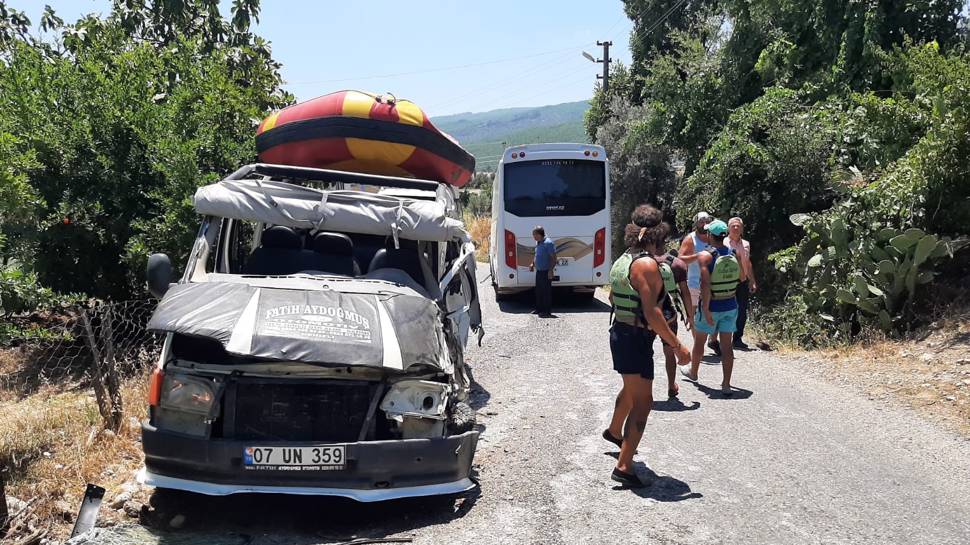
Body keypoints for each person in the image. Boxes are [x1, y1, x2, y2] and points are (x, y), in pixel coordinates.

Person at [604, 205, 691, 488]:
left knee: (632, 390)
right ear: (658, 234)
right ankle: (625, 465)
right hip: (634, 339)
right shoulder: (646, 264)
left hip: (621, 333)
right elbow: (652, 312)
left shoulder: (623, 259)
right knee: (644, 402)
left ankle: (615, 431)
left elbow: (615, 300)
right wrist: (677, 346)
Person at [681, 219, 741, 395]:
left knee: (699, 341)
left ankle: (693, 372)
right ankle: (726, 385)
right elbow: (741, 276)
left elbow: (705, 285)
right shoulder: (733, 253)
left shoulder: (706, 256)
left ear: (709, 235)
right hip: (730, 304)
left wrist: (706, 310)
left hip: (712, 306)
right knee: (727, 345)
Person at [727, 217, 757, 348]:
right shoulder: (723, 243)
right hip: (727, 281)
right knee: (727, 309)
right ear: (728, 228)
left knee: (741, 310)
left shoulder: (746, 244)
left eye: (738, 226)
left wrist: (752, 281)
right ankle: (724, 337)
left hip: (743, 281)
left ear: (742, 229)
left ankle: (737, 338)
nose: (735, 228)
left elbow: (748, 263)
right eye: (733, 226)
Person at [677, 212, 713, 307]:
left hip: (712, 284)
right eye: (701, 222)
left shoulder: (714, 237)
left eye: (707, 222)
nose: (704, 224)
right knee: (693, 316)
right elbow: (680, 259)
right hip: (695, 283)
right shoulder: (690, 239)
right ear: (696, 223)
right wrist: (698, 256)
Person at [529, 226, 556, 317]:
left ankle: (546, 311)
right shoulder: (539, 242)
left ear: (539, 234)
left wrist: (550, 270)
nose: (533, 237)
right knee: (539, 291)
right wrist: (532, 264)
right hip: (539, 271)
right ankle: (539, 309)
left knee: (546, 292)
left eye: (534, 235)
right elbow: (537, 255)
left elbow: (553, 258)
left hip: (546, 271)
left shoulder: (548, 243)